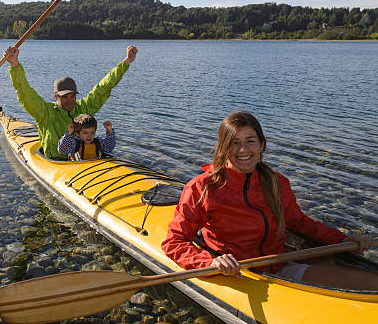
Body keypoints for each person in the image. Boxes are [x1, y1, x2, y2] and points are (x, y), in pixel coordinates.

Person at [161, 111, 377, 290]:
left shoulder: (276, 182)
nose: (243, 150)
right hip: (239, 272)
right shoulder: (202, 188)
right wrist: (210, 262)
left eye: (250, 141)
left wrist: (342, 240)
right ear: (223, 148)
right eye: (234, 143)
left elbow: (299, 222)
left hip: (279, 264)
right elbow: (174, 241)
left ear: (261, 145)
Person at [4, 45, 137, 159]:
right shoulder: (44, 111)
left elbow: (104, 86)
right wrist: (14, 65)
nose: (70, 101)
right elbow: (25, 93)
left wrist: (126, 62)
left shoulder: (83, 108)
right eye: (65, 97)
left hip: (81, 161)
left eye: (73, 96)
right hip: (56, 162)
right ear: (56, 96)